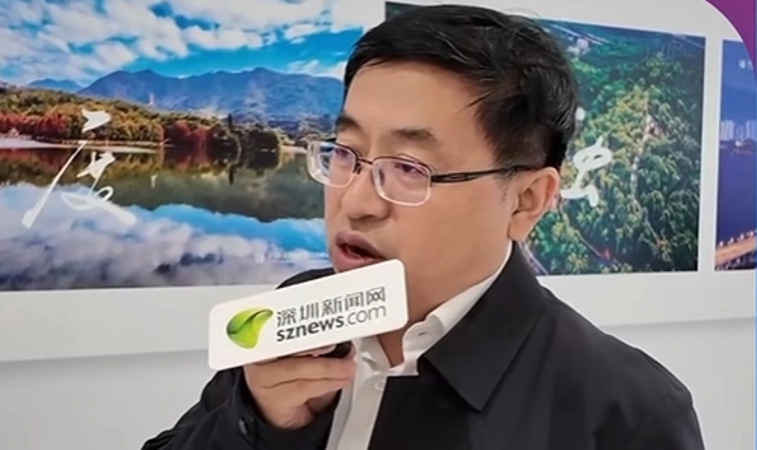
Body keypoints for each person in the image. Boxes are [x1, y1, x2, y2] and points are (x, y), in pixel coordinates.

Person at [142, 5, 705, 450]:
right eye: (346, 152)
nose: (355, 201)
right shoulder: (301, 309)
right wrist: (259, 424)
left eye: (410, 169)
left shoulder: (626, 410)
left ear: (526, 201)